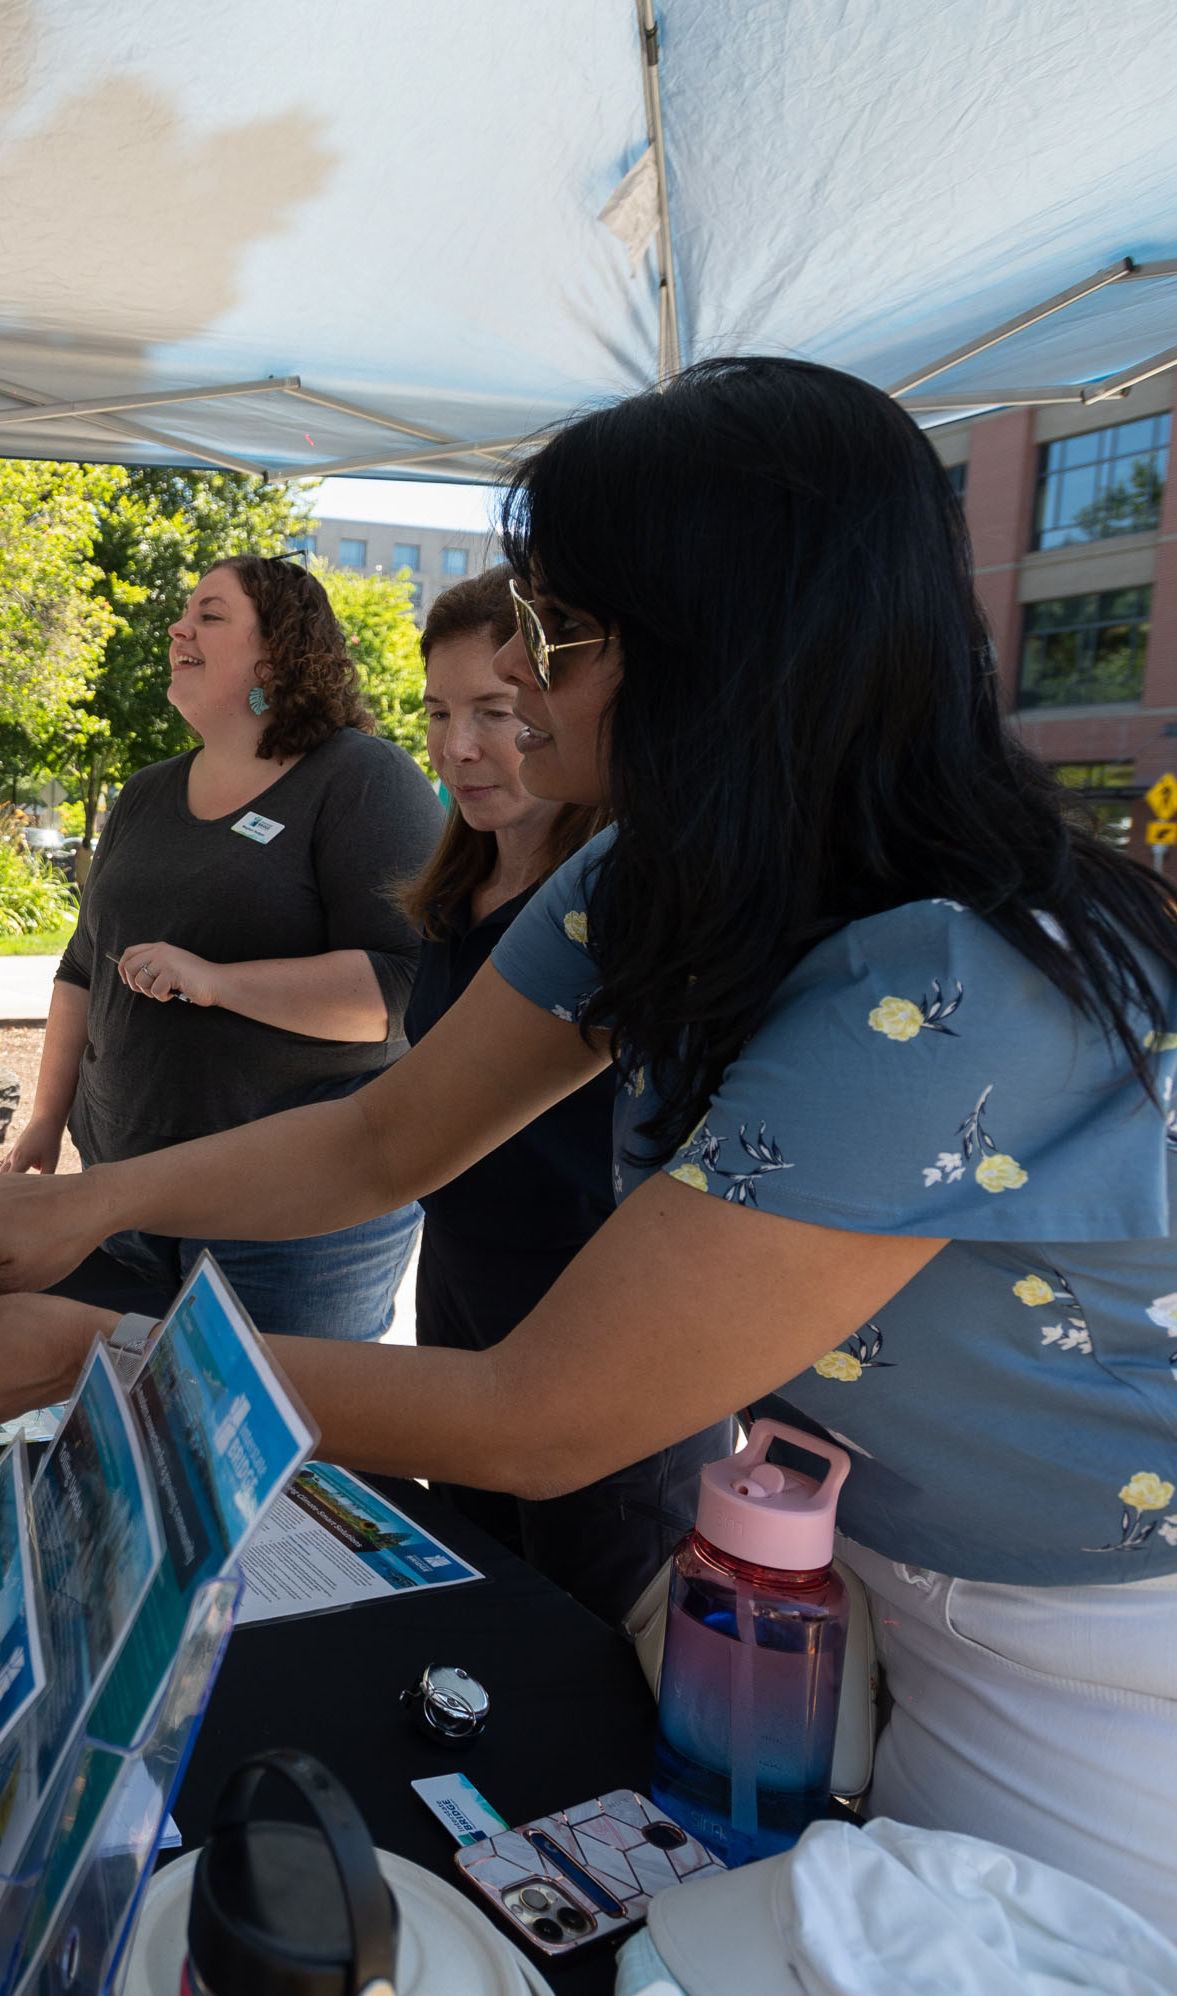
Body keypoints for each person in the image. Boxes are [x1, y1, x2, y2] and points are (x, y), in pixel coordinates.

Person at [0, 357, 1177, 1981]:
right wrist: (91, 1198)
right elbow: (390, 1132)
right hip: (833, 1593)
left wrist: (112, 1355)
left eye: (563, 637)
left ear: (719, 644)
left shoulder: (960, 983)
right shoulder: (659, 872)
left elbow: (546, 1411)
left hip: (1107, 1664)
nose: (525, 688)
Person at [0, 554, 439, 1340]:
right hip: (120, 1198)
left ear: (280, 653)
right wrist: (45, 1121)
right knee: (128, 1438)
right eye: (183, 612)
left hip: (291, 1223)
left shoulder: (363, 779)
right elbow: (81, 969)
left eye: (210, 614)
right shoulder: (147, 790)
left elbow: (402, 993)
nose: (178, 627)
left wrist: (219, 981)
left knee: (275, 1452)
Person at [401, 565, 727, 1624]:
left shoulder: (636, 905)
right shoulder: (454, 895)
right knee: (473, 1610)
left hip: (599, 1342)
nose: (462, 748)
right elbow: (388, 1136)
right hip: (460, 1302)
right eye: (442, 714)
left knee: (591, 1651)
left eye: (495, 711)